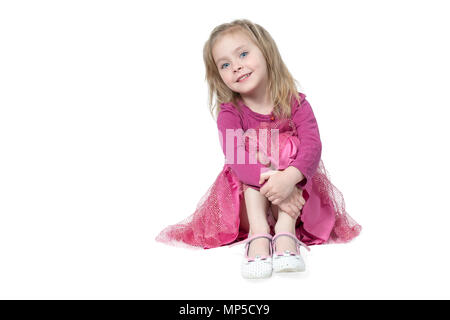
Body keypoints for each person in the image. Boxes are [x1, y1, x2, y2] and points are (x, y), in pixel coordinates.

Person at [156, 19, 361, 279]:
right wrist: (276, 183)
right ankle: (259, 233)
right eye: (225, 64)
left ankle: (285, 232)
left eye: (243, 54)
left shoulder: (295, 103)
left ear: (265, 51)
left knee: (284, 145)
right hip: (246, 206)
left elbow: (312, 146)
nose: (236, 66)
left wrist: (288, 178)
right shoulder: (229, 113)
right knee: (254, 147)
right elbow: (237, 159)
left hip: (297, 204)